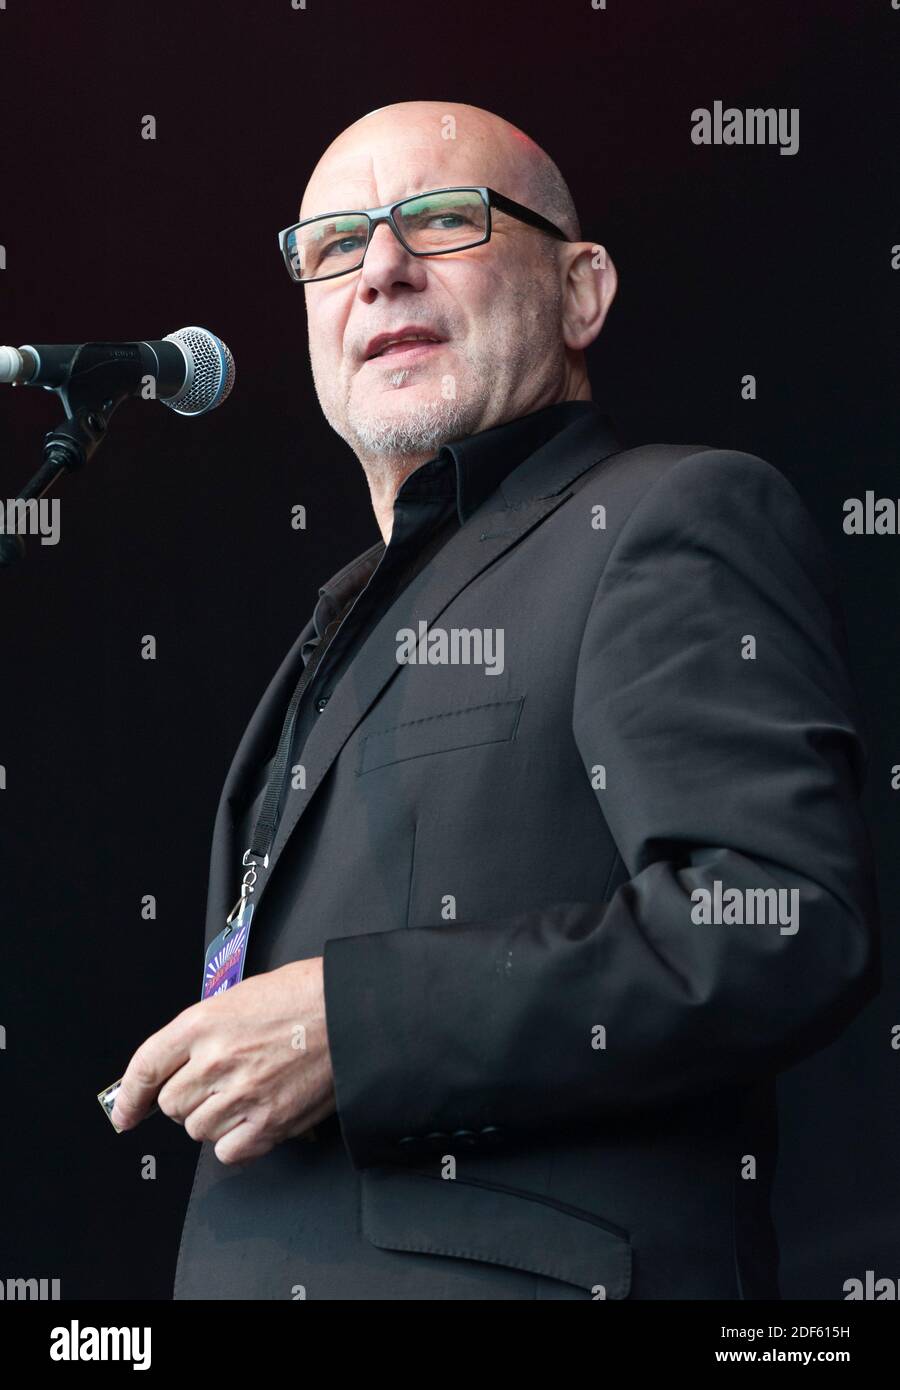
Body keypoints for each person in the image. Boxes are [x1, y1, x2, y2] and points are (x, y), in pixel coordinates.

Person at [112, 100, 879, 1300]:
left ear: (581, 291)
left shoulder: (668, 515)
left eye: (441, 219)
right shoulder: (333, 624)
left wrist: (353, 1026)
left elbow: (778, 919)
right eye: (333, 244)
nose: (380, 269)